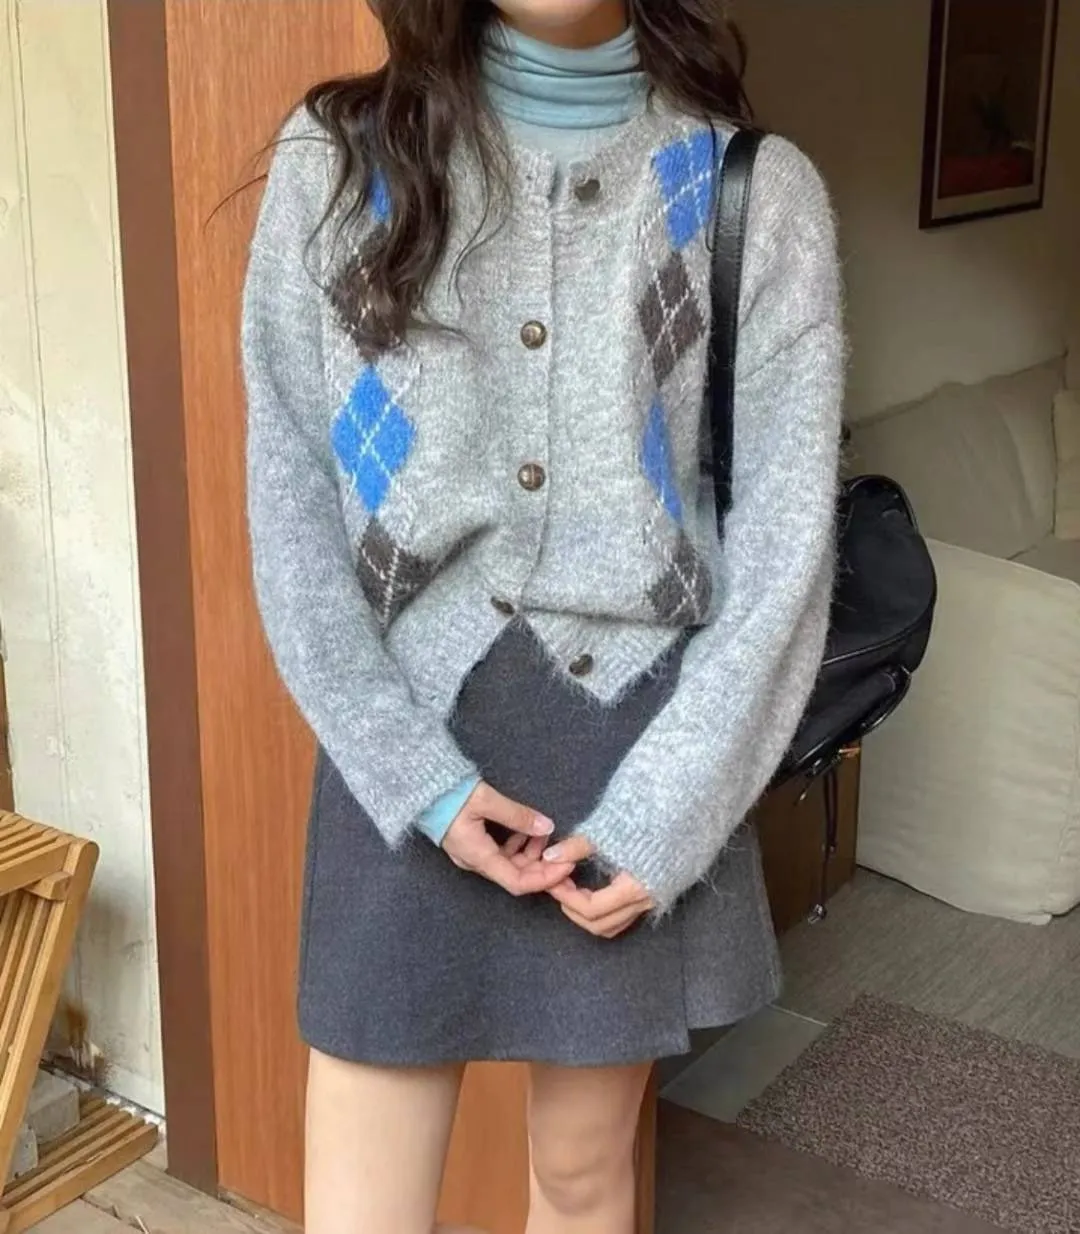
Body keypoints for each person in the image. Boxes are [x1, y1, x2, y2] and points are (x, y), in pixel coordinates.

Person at [241, 0, 843, 1230]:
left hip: (634, 753)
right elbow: (291, 507)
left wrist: (666, 812)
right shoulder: (338, 161)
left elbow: (784, 554)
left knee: (582, 1176)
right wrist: (417, 779)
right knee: (360, 1204)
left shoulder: (755, 193)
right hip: (400, 744)